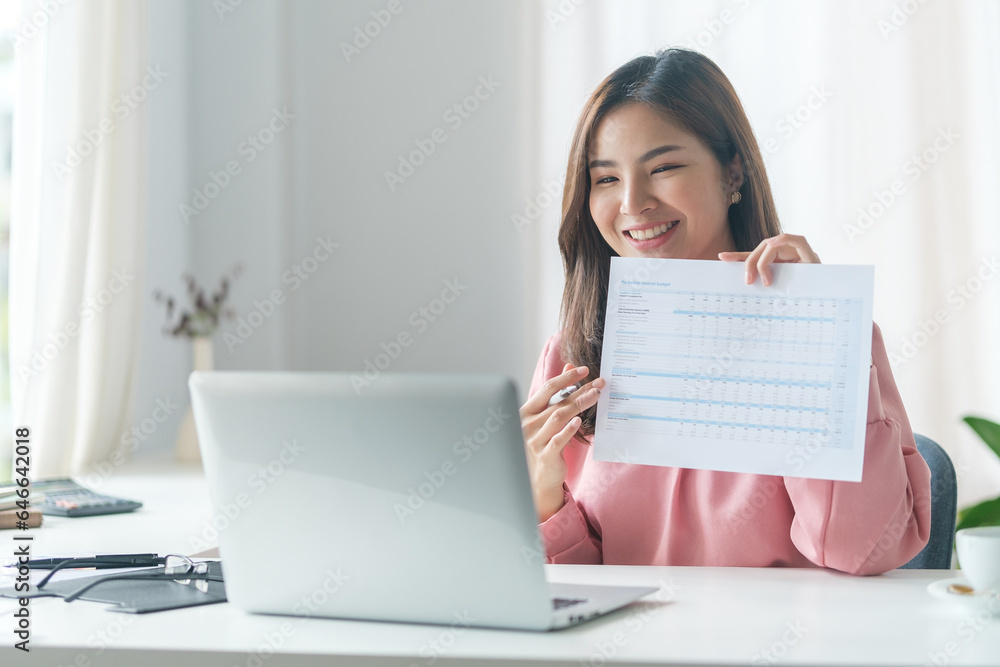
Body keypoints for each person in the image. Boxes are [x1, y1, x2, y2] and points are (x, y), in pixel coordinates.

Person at [519, 49, 931, 575]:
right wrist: (541, 496)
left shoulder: (834, 337)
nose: (633, 203)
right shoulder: (571, 356)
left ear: (732, 171)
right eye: (605, 179)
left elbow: (863, 551)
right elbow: (575, 588)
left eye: (663, 168)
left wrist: (813, 340)